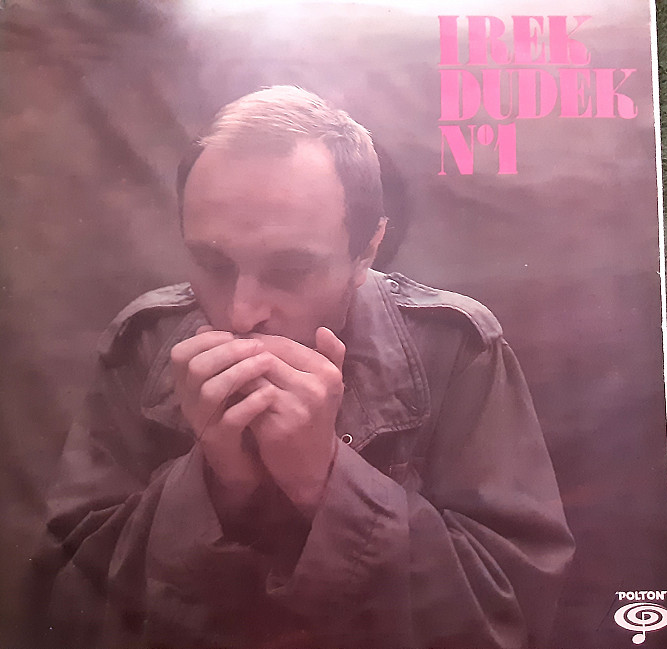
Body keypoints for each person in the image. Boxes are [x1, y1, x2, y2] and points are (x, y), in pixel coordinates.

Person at [31, 86, 574, 649]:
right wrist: (217, 485)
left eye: (290, 270)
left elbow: (510, 618)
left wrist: (324, 479)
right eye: (212, 263)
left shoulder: (455, 348)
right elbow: (61, 605)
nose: (241, 313)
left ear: (367, 251)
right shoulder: (144, 342)